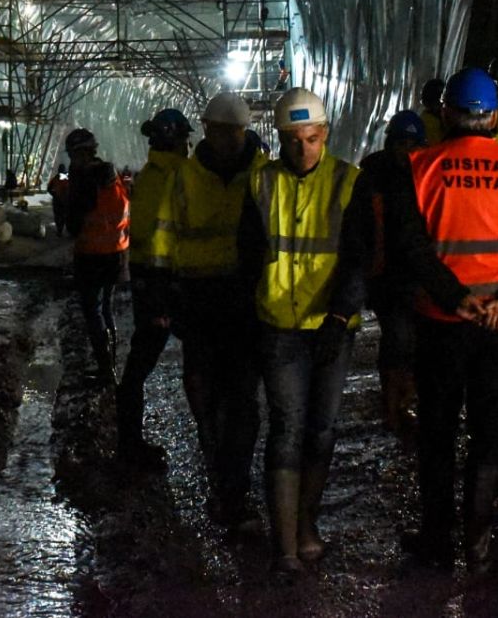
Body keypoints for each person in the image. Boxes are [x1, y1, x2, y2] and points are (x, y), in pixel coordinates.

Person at [390, 69, 498, 567]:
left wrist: (452, 297)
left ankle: (437, 542)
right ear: (492, 117)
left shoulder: (419, 167)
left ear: (445, 113)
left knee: (438, 432)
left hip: (442, 325)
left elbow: (410, 245)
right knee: (489, 432)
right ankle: (479, 541)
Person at [240, 87, 371, 576]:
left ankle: (306, 524)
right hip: (279, 325)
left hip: (329, 327)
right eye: (294, 141)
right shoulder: (262, 184)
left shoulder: (347, 182)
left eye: (312, 139)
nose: (303, 150)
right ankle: (287, 545)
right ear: (279, 139)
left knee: (321, 431)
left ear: (325, 134)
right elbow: (247, 257)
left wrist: (340, 316)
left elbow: (359, 258)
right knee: (287, 428)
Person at [166, 92, 266, 532]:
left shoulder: (264, 175)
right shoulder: (184, 177)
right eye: (221, 130)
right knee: (207, 394)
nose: (228, 138)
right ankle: (217, 462)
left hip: (246, 298)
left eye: (235, 130)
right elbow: (165, 240)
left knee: (243, 399)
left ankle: (235, 494)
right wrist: (166, 300)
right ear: (205, 130)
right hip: (199, 298)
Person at [116, 107, 190, 469]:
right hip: (170, 284)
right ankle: (130, 446)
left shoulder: (147, 176)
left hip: (149, 282)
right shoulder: (181, 176)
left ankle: (128, 441)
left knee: (138, 365)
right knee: (200, 364)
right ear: (179, 140)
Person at [359, 110, 426, 449]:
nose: (407, 152)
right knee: (399, 338)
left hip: (417, 272)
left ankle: (403, 401)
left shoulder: (426, 174)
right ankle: (395, 405)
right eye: (402, 144)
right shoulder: (376, 173)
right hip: (388, 274)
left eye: (413, 145)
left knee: (410, 341)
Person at [63, 127, 129, 388]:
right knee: (107, 309)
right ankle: (111, 365)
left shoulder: (82, 179)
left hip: (91, 257)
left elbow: (73, 225)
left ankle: (105, 369)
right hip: (115, 255)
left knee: (93, 312)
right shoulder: (112, 176)